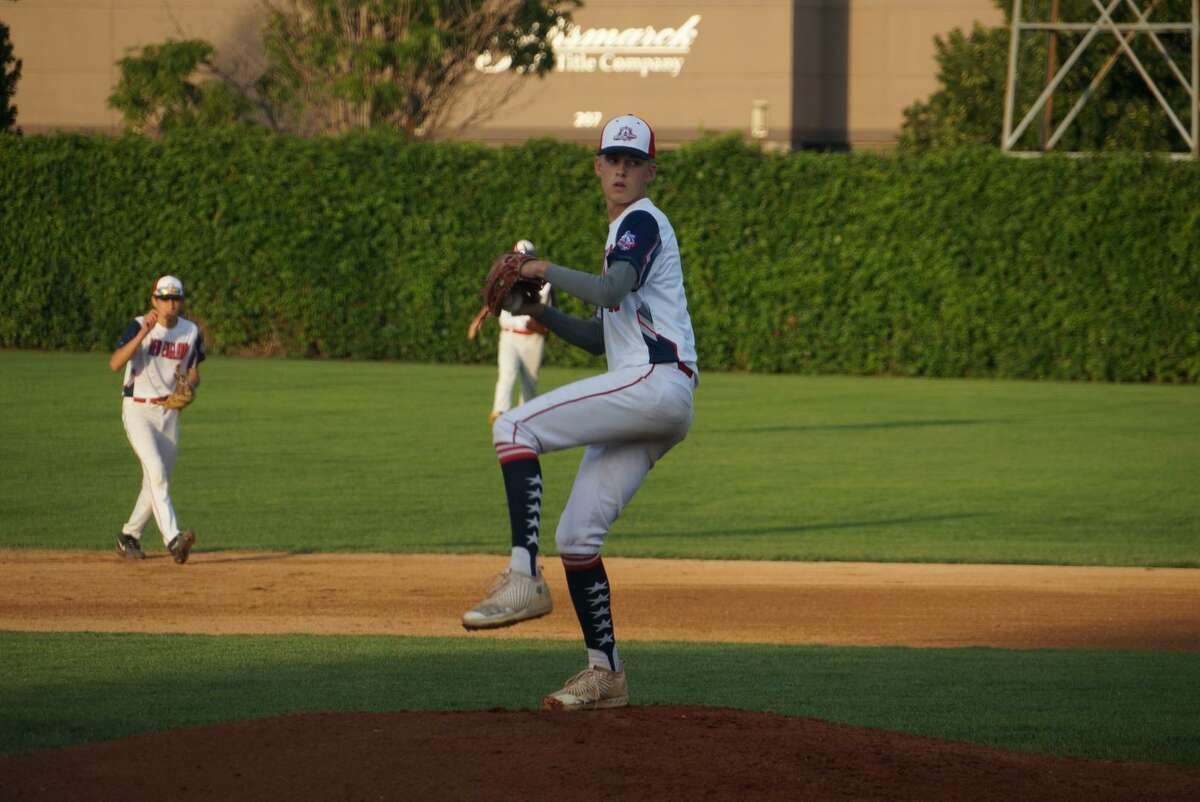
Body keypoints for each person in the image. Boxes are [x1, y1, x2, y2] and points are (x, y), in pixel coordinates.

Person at [462, 114, 698, 712]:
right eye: (611, 160)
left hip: (652, 383)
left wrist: (541, 270)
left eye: (632, 161)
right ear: (597, 166)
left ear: (650, 171)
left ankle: (523, 578)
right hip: (655, 396)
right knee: (577, 537)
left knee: (514, 425)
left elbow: (611, 290)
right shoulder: (626, 230)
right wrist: (542, 317)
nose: (620, 170)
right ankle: (606, 673)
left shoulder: (640, 221)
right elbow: (602, 335)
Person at [108, 275, 204, 564]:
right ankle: (173, 539)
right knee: (157, 471)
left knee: (157, 480)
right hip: (137, 409)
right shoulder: (140, 325)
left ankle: (129, 536)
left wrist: (190, 387)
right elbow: (114, 364)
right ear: (154, 300)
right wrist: (142, 335)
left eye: (175, 298)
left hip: (168, 412)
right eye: (164, 298)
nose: (170, 304)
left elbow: (194, 371)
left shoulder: (191, 331)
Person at [467, 240, 554, 426]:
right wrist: (478, 319)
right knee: (507, 375)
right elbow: (494, 301)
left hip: (532, 338)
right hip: (508, 335)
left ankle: (526, 421)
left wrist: (541, 328)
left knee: (529, 385)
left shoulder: (544, 284)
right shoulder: (504, 278)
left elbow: (549, 316)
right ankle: (499, 415)